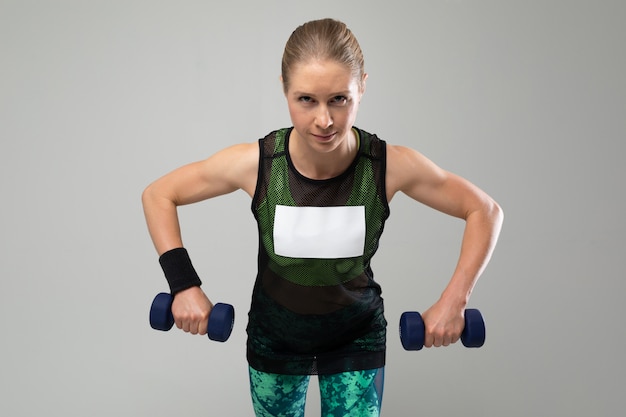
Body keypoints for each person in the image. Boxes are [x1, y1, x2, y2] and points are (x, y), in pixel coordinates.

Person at [142, 18, 503, 417]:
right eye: (306, 100)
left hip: (356, 338)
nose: (324, 120)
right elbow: (159, 194)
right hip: (274, 338)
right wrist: (184, 286)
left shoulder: (389, 166)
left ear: (362, 86)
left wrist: (454, 301)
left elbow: (484, 211)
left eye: (339, 99)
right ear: (284, 88)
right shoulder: (256, 164)